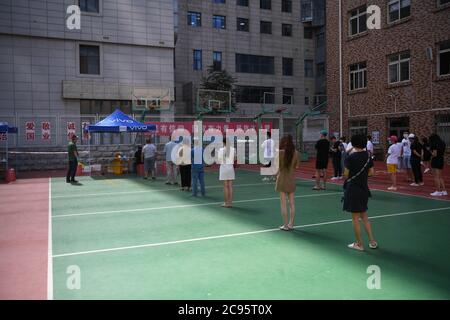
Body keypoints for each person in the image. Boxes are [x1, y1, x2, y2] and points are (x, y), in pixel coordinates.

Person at [343, 134, 377, 251]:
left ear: (353, 144)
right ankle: (372, 241)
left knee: (355, 218)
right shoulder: (368, 156)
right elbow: (372, 173)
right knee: (364, 216)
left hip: (353, 189)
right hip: (364, 189)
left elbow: (346, 175)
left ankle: (359, 244)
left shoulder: (350, 157)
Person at [276, 135, 300, 231]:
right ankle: (291, 224)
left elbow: (276, 167)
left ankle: (285, 225)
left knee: (283, 204)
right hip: (291, 179)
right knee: (292, 203)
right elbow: (297, 167)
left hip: (282, 179)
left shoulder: (280, 153)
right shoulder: (296, 153)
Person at [218, 137, 236, 208]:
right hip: (230, 168)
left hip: (223, 168)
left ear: (223, 143)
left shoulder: (221, 150)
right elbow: (235, 158)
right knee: (230, 186)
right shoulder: (233, 149)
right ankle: (230, 203)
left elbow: (219, 160)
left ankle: (226, 203)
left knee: (225, 186)